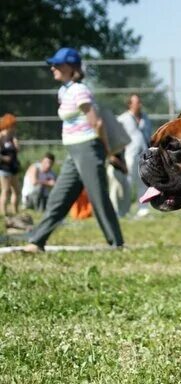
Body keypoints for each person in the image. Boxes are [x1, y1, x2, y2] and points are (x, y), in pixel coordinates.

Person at [22, 47, 125, 253]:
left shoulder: (80, 90)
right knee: (59, 196)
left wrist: (107, 150)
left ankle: (117, 243)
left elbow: (97, 123)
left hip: (88, 148)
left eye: (57, 64)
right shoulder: (64, 91)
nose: (52, 68)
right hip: (73, 151)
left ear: (70, 67)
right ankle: (37, 242)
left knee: (98, 197)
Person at [117, 94, 153, 218]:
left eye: (140, 102)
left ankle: (143, 210)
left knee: (143, 182)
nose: (140, 104)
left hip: (144, 154)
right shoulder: (123, 118)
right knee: (126, 183)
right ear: (130, 104)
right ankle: (123, 211)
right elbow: (117, 136)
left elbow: (149, 135)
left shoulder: (146, 118)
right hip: (129, 155)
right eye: (137, 102)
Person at [0, 113, 21, 218]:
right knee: (6, 190)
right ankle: (4, 213)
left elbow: (18, 150)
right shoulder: (1, 137)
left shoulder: (13, 137)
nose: (14, 128)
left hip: (14, 167)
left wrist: (16, 143)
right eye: (13, 125)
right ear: (7, 125)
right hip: (4, 168)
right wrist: (3, 158)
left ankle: (15, 211)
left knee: (17, 191)